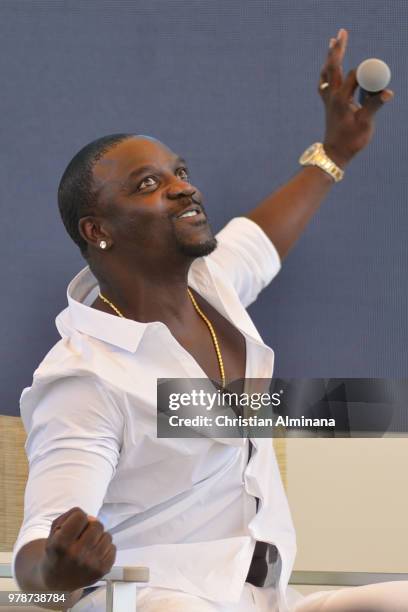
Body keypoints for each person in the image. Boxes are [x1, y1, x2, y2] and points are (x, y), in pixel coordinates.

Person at [12, 29, 397, 612]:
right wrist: (53, 572)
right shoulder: (84, 379)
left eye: (179, 171)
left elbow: (267, 235)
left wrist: (336, 151)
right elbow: (38, 553)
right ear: (98, 231)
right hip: (150, 598)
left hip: (261, 597)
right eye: (150, 184)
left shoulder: (211, 284)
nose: (183, 187)